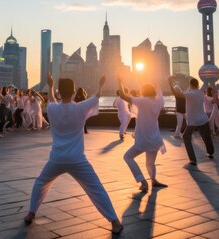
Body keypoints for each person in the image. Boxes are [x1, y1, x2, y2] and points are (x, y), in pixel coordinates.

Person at [24, 74, 123, 234]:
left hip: (56, 158)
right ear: (74, 91)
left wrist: (50, 85)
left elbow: (50, 99)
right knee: (96, 188)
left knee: (41, 182)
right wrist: (100, 84)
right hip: (77, 159)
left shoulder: (52, 108)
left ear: (59, 92)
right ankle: (115, 222)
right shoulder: (80, 108)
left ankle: (31, 213)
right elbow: (96, 96)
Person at [119, 76, 167, 192]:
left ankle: (142, 181)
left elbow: (123, 95)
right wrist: (155, 84)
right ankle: (154, 181)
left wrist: (120, 82)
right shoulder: (159, 101)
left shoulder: (143, 101)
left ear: (143, 92)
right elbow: (159, 90)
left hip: (143, 139)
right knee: (150, 162)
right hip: (155, 139)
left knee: (128, 157)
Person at [174, 79, 215, 166]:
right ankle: (211, 152)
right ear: (197, 84)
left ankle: (193, 160)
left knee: (186, 137)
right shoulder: (200, 92)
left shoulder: (189, 94)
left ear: (190, 84)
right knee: (207, 136)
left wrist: (170, 83)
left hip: (193, 121)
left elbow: (178, 93)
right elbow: (204, 84)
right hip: (203, 119)